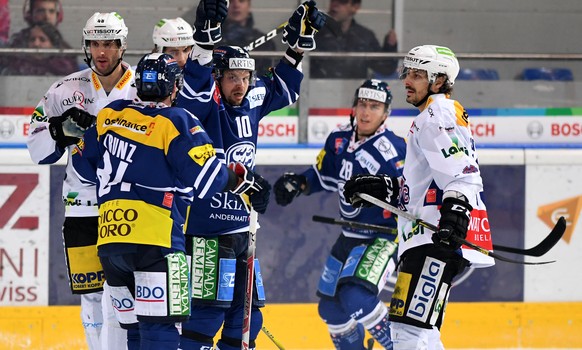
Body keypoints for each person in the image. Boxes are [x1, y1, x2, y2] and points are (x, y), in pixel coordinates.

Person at [72, 52, 271, 350]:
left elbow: (81, 169)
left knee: (134, 332)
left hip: (112, 245)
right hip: (157, 244)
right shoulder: (177, 120)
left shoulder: (110, 115)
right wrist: (244, 180)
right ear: (175, 87)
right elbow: (207, 179)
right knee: (160, 333)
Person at [174, 0, 325, 349]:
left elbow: (284, 89)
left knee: (248, 317)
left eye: (244, 77)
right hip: (206, 229)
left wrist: (295, 50)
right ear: (217, 77)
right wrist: (203, 44)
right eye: (231, 77)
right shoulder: (201, 105)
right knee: (206, 315)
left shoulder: (253, 97)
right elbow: (193, 89)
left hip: (244, 226)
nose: (239, 85)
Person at [343, 45, 495, 349]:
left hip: (435, 242)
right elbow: (427, 184)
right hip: (426, 238)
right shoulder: (431, 116)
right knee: (419, 332)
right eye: (406, 72)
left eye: (417, 74)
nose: (407, 80)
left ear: (438, 81)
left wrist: (455, 217)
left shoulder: (439, 113)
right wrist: (384, 188)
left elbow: (462, 173)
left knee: (407, 332)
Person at [26, 11, 135, 350]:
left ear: (122, 46)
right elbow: (36, 144)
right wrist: (59, 131)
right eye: (95, 43)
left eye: (109, 44)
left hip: (129, 208)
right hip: (81, 206)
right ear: (87, 45)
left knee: (123, 293)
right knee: (91, 297)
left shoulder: (141, 87)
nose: (102, 52)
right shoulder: (64, 89)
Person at [273, 79, 406, 349]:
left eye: (375, 107)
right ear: (355, 106)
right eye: (363, 104)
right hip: (348, 237)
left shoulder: (395, 151)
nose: (366, 112)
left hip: (383, 237)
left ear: (386, 113)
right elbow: (323, 176)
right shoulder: (339, 140)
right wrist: (299, 183)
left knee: (356, 298)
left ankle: (404, 346)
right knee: (331, 310)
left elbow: (410, 195)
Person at [181, 0, 277, 73]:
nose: (236, 5)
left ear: (249, 6)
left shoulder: (267, 44)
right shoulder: (208, 38)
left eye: (241, 0)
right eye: (231, 1)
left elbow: (267, 76)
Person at [311, 0, 399, 79]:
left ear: (355, 7)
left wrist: (390, 46)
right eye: (333, 0)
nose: (335, 5)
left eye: (342, 2)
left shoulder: (364, 36)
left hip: (353, 92)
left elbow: (386, 69)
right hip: (318, 91)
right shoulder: (314, 32)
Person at [0, 22, 77, 75]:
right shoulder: (16, 66)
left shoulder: (64, 69)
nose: (36, 44)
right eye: (32, 39)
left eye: (42, 40)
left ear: (53, 44)